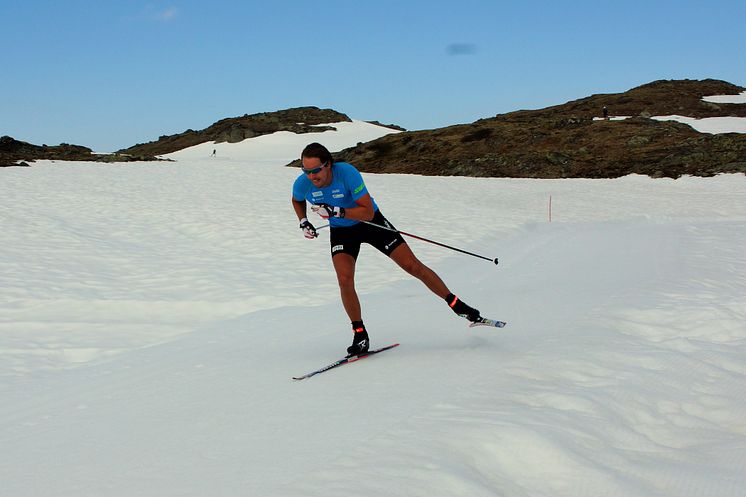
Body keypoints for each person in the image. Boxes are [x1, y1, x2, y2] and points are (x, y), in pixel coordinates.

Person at [291, 142, 483, 356]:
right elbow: (297, 200)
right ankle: (360, 334)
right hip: (342, 232)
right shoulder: (303, 184)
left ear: (328, 165)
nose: (311, 176)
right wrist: (303, 221)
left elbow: (367, 213)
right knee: (344, 280)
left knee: (412, 266)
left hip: (372, 224)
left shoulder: (347, 173)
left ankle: (458, 305)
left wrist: (337, 211)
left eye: (315, 170)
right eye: (306, 171)